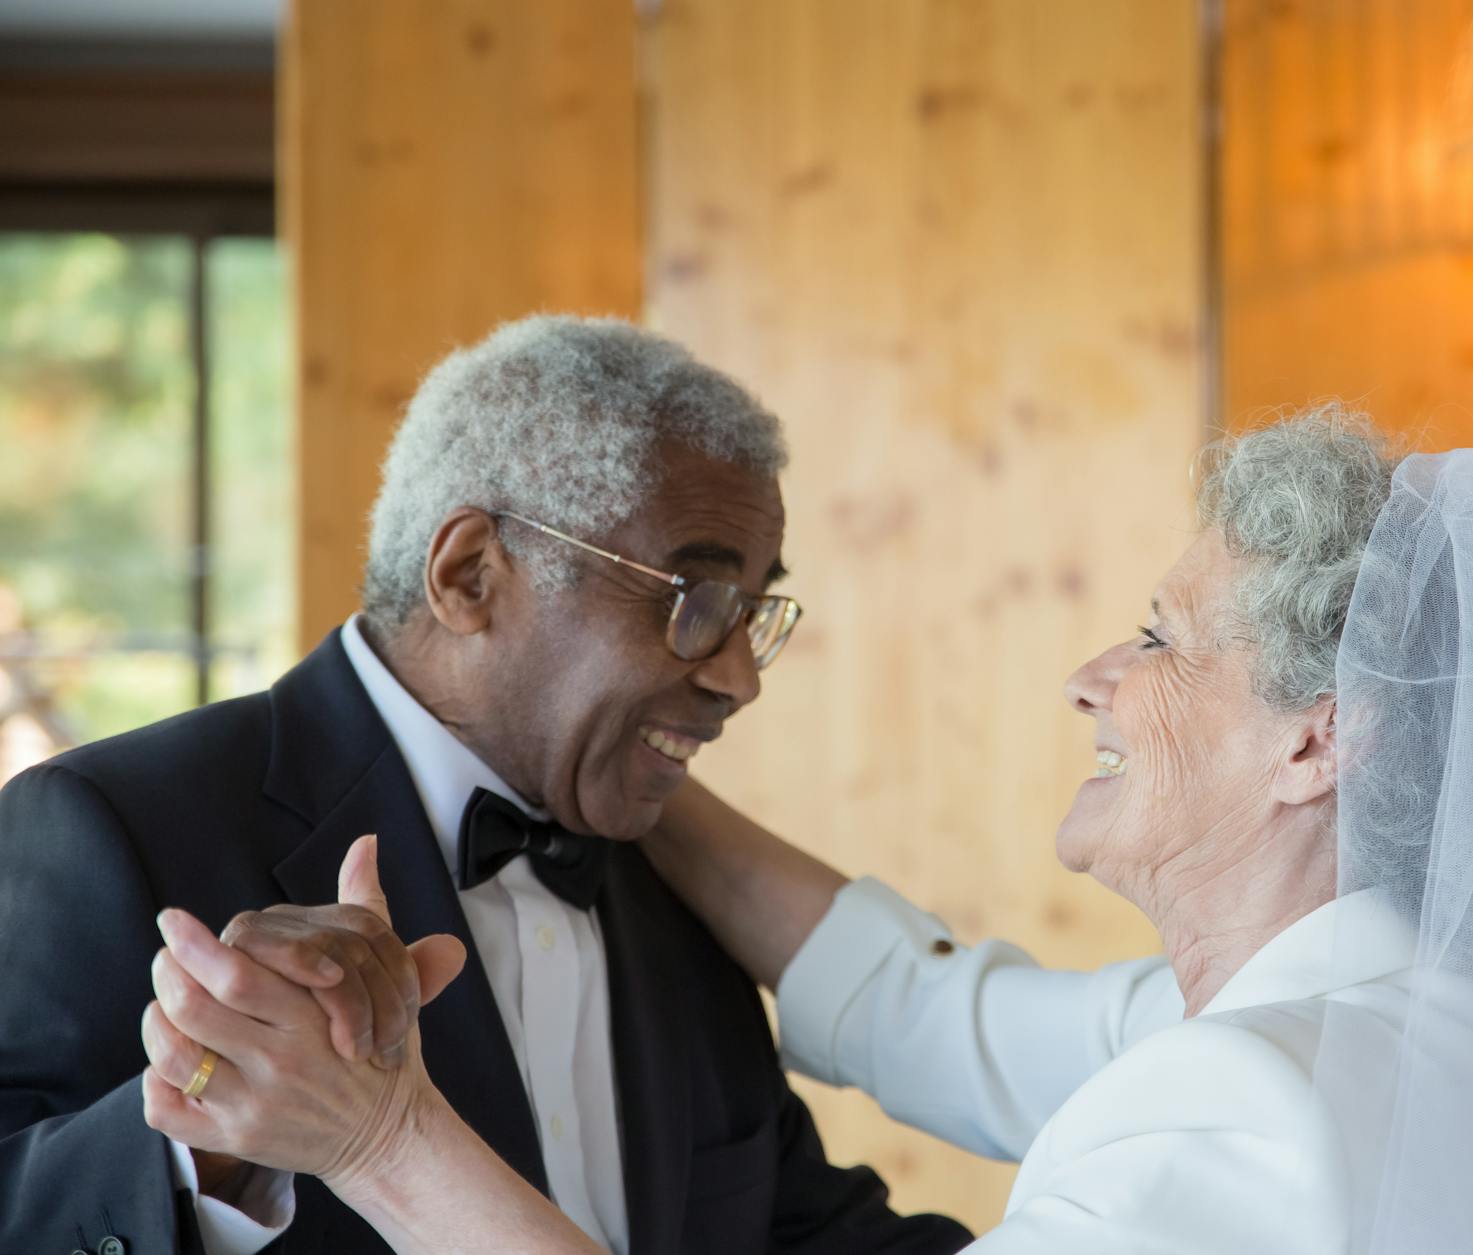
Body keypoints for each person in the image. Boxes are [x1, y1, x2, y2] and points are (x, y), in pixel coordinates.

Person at [140, 409, 1473, 1253]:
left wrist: (378, 1135)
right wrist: (623, 762)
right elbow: (927, 1013)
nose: (1091, 675)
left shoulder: (1237, 1100)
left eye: (1159, 635)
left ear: (1315, 741)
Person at [0, 315, 972, 1255]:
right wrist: (206, 1144)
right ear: (470, 574)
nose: (738, 678)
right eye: (694, 600)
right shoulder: (111, 824)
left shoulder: (673, 874)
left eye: (754, 613)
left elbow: (795, 1229)